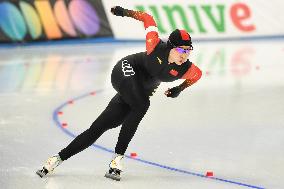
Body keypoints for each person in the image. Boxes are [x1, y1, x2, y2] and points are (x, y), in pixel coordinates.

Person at [36, 6, 202, 181]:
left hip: (136, 91)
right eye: (181, 50)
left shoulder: (187, 69)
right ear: (170, 47)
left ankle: (56, 159)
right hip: (125, 70)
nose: (184, 55)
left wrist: (179, 89)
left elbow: (197, 77)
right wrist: (124, 12)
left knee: (99, 128)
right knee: (142, 104)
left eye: (188, 50)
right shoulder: (154, 45)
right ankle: (117, 160)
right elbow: (148, 18)